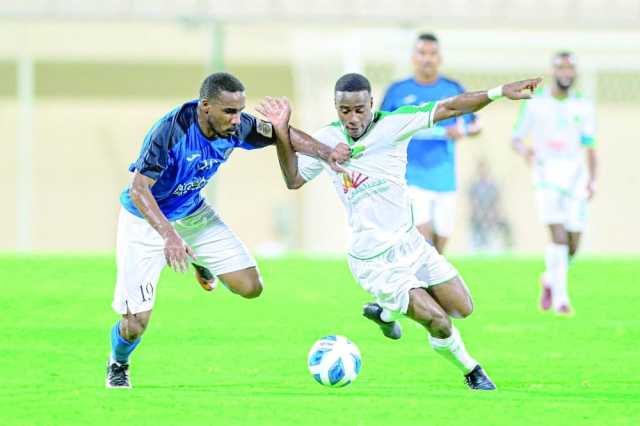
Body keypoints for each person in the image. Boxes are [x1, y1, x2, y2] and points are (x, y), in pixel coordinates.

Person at [257, 73, 541, 390]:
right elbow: (293, 179)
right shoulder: (325, 139)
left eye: (359, 109)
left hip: (412, 246)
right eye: (344, 110)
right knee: (439, 321)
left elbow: (450, 107)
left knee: (463, 308)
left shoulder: (395, 125)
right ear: (336, 107)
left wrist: (500, 92)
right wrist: (281, 132)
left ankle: (386, 312)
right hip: (374, 262)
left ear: (371, 104)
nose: (352, 118)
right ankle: (472, 370)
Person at [106, 72, 348, 388]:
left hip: (190, 211)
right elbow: (139, 189)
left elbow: (282, 134)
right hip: (145, 219)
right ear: (205, 106)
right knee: (135, 324)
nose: (237, 119)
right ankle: (118, 363)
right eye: (230, 111)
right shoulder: (171, 131)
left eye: (240, 110)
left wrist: (327, 154)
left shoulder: (237, 127)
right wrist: (169, 236)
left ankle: (200, 258)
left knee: (251, 286)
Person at [511, 52, 597, 316]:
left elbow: (590, 146)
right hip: (546, 173)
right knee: (558, 235)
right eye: (561, 68)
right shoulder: (536, 103)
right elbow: (516, 138)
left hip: (575, 175)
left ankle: (549, 279)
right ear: (553, 71)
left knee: (574, 242)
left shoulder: (583, 105)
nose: (566, 73)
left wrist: (593, 179)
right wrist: (526, 153)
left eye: (571, 68)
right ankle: (561, 299)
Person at [380, 33, 481, 253]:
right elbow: (380, 128)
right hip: (411, 177)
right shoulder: (398, 91)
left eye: (432, 54)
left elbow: (476, 125)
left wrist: (461, 130)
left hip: (445, 178)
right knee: (423, 241)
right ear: (413, 58)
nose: (427, 58)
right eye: (422, 53)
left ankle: (430, 284)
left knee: (439, 245)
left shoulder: (452, 89)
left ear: (440, 58)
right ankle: (419, 285)